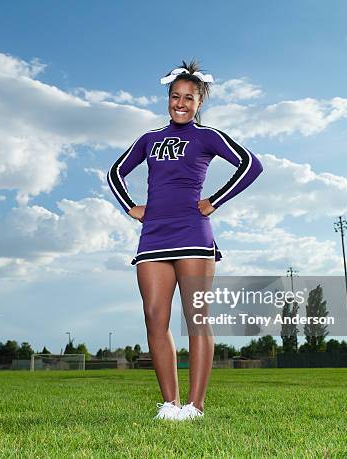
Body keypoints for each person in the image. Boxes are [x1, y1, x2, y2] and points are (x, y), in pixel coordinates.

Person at [107, 59, 263, 421]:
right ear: (168, 99)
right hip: (154, 238)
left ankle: (195, 406)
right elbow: (115, 172)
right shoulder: (149, 140)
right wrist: (131, 206)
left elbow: (250, 165)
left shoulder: (206, 136)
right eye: (175, 96)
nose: (181, 103)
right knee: (154, 317)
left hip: (193, 234)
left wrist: (215, 200)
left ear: (199, 102)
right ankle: (170, 404)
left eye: (189, 98)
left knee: (196, 318)